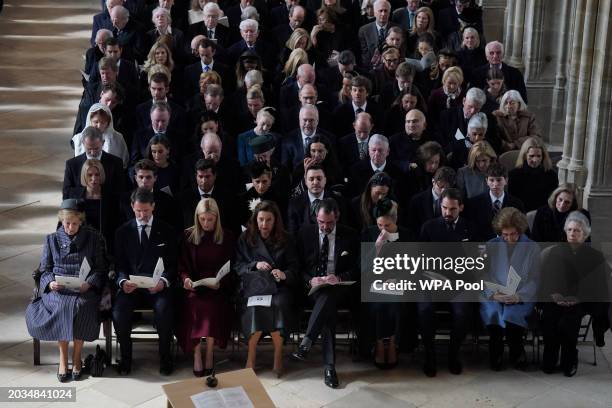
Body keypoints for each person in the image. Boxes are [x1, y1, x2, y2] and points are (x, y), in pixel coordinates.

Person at [26, 199, 108, 382]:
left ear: (81, 222)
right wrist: (50, 283)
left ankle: (77, 357)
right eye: (67, 223)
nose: (70, 227)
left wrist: (90, 283)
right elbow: (44, 269)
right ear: (61, 221)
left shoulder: (93, 239)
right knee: (61, 306)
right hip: (58, 289)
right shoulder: (51, 239)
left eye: (74, 224)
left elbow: (100, 269)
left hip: (83, 288)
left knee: (82, 307)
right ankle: (63, 358)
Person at [292, 198, 360, 388]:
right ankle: (329, 367)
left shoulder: (350, 235)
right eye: (321, 222)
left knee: (329, 296)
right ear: (316, 218)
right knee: (326, 305)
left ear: (337, 217)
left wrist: (338, 278)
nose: (325, 227)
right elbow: (297, 266)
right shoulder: (305, 233)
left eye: (329, 223)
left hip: (340, 287)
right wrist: (309, 279)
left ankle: (307, 342)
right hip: (312, 288)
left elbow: (358, 267)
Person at [113, 188, 178, 376]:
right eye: (138, 211)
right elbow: (119, 264)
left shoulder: (167, 230)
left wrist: (163, 282)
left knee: (165, 309)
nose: (142, 215)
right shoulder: (122, 232)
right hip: (131, 287)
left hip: (157, 287)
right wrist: (123, 281)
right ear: (132, 207)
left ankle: (165, 358)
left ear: (153, 207)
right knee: (118, 312)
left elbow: (173, 264)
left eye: (146, 211)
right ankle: (126, 359)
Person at [540, 211, 610, 376]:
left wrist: (578, 298)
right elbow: (546, 279)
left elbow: (598, 287)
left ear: (585, 235)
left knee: (568, 322)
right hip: (556, 299)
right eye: (570, 230)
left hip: (581, 301)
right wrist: (554, 295)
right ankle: (550, 358)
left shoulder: (595, 257)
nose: (572, 233)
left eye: (577, 231)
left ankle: (570, 359)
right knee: (549, 319)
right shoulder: (555, 252)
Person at [235, 200, 299, 377]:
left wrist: (284, 274)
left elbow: (295, 268)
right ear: (255, 219)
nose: (264, 224)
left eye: (269, 220)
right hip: (254, 287)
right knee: (254, 307)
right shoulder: (246, 238)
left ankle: (278, 354)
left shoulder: (286, 239)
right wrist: (255, 265)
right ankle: (251, 354)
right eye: (261, 219)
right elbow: (238, 266)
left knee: (279, 304)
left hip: (279, 288)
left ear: (275, 220)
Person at [418, 188, 478, 376]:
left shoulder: (471, 228)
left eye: (452, 209)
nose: (447, 213)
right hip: (431, 281)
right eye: (444, 208)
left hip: (459, 283)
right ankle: (430, 355)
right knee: (424, 309)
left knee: (462, 313)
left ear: (460, 207)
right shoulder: (429, 227)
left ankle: (453, 354)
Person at [177, 198, 236, 377]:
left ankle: (209, 352)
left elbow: (232, 267)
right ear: (197, 218)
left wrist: (221, 283)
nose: (206, 223)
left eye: (210, 220)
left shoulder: (227, 236)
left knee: (212, 307)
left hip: (218, 287)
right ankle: (197, 354)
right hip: (195, 287)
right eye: (202, 219)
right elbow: (182, 266)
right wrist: (186, 280)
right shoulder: (188, 236)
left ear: (217, 218)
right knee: (193, 305)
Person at [481, 207, 539, 371]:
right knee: (494, 313)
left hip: (520, 294)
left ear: (520, 230)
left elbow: (535, 279)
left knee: (513, 314)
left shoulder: (532, 247)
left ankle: (517, 351)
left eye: (513, 234)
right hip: (495, 293)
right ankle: (496, 352)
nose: (508, 238)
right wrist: (493, 294)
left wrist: (519, 296)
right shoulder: (491, 245)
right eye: (504, 234)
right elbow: (483, 275)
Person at [361, 199, 411, 368]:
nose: (383, 230)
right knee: (377, 305)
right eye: (380, 225)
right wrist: (376, 248)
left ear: (395, 221)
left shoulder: (407, 235)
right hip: (375, 283)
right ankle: (380, 345)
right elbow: (363, 268)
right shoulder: (369, 233)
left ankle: (393, 344)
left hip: (399, 285)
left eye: (387, 226)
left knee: (397, 305)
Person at [63, 126, 125, 199]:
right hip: (80, 207)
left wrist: (100, 192)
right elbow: (66, 193)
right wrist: (87, 191)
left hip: (107, 206)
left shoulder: (116, 163)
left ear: (103, 142)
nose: (92, 153)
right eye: (89, 149)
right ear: (83, 143)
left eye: (96, 148)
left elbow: (122, 191)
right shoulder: (72, 164)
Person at [466, 163, 525, 240]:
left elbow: (522, 230)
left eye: (499, 180)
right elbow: (472, 231)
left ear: (506, 180)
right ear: (486, 181)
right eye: (491, 180)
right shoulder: (474, 204)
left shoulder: (517, 204)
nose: (495, 184)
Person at [508, 136, 558, 212]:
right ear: (525, 156)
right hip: (521, 214)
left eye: (538, 156)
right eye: (531, 156)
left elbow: (552, 201)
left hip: (543, 214)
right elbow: (512, 201)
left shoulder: (551, 175)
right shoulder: (514, 175)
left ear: (543, 156)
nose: (535, 160)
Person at [72, 103, 129, 168]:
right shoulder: (80, 137)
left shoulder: (117, 138)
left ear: (108, 123)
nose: (99, 126)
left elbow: (123, 161)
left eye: (103, 122)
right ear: (90, 120)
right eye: (96, 122)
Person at [358, 0, 397, 69]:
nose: (383, 14)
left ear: (389, 13)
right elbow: (365, 56)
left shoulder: (397, 29)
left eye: (386, 11)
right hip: (371, 69)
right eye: (380, 11)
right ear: (374, 13)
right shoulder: (364, 30)